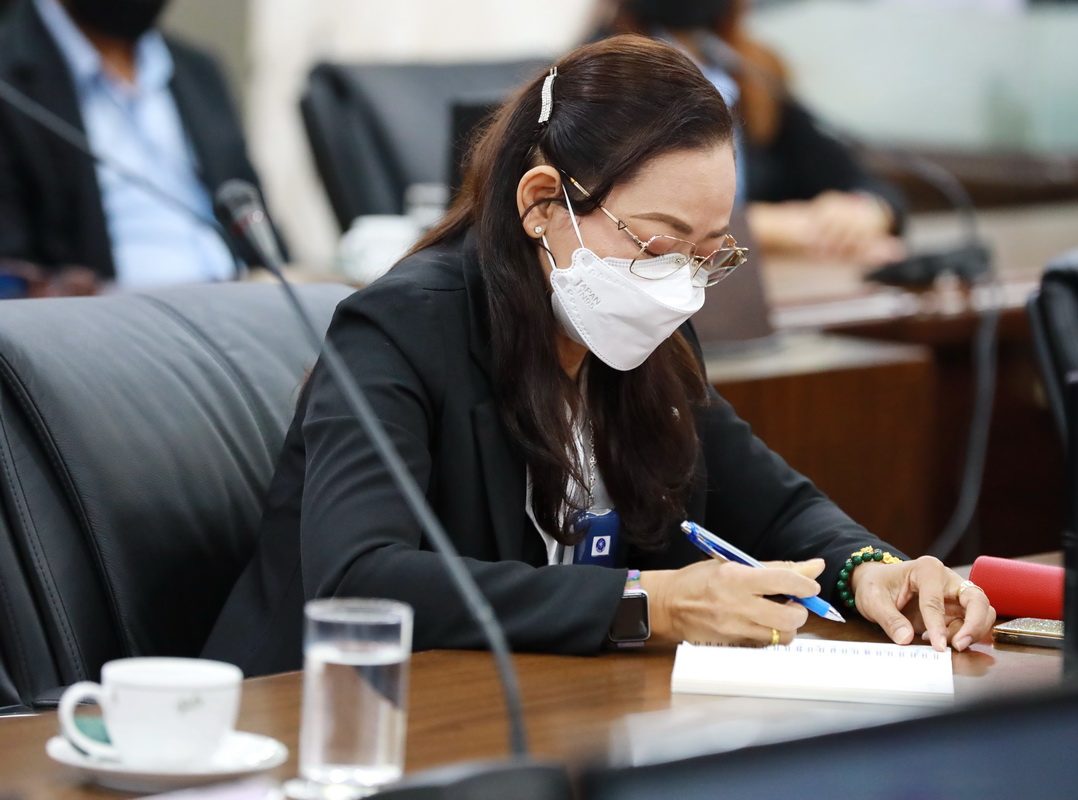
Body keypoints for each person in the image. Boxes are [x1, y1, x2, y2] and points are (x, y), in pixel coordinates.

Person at [203, 35, 994, 677]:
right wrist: (647, 603)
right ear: (542, 203)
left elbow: (775, 507)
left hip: (537, 706)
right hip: (316, 719)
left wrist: (870, 572)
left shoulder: (645, 334)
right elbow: (358, 578)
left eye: (708, 253)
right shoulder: (399, 329)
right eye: (657, 244)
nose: (680, 284)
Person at [600, 0, 907, 266]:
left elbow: (858, 181)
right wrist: (766, 227)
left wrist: (862, 212)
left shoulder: (751, 68)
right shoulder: (603, 72)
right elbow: (612, 211)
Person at [0, 0, 272, 292]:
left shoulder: (199, 70)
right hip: (110, 311)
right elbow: (16, 276)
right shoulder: (10, 77)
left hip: (240, 299)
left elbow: (253, 219)